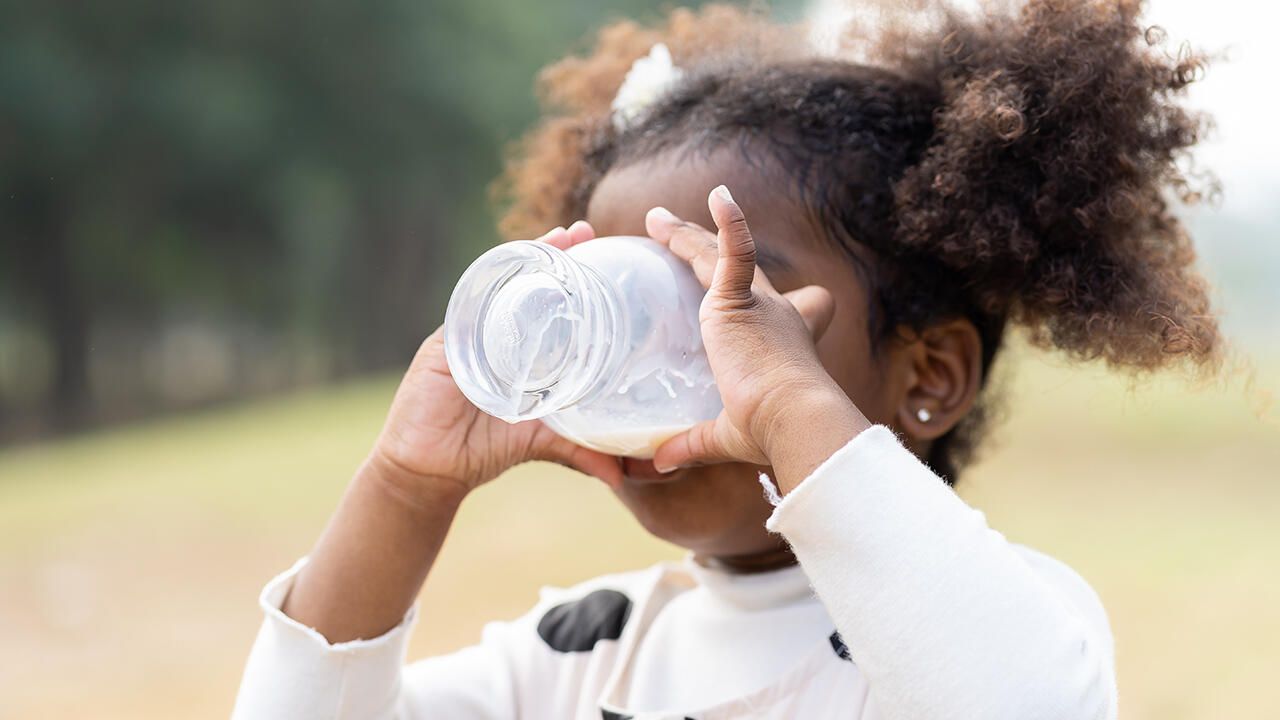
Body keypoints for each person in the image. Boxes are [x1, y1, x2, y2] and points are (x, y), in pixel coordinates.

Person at [232, 1, 1220, 718]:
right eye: (640, 296)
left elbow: (1017, 703)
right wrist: (403, 489)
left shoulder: (1006, 619)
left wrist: (786, 403)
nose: (671, 347)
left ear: (926, 377)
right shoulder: (583, 648)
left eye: (728, 301)